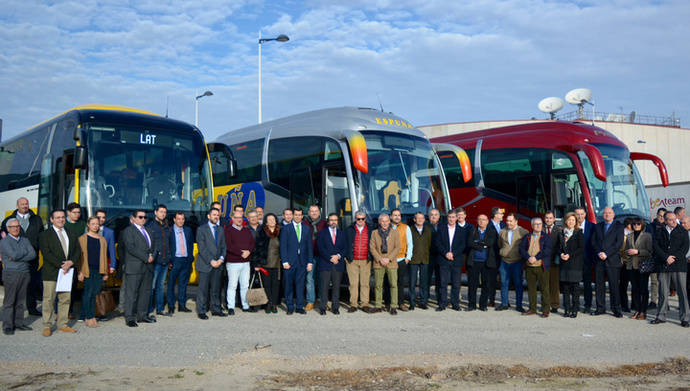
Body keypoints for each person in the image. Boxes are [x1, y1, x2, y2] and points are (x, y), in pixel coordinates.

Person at [39, 209, 81, 336]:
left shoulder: (71, 233)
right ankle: (47, 325)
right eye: (57, 217)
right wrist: (63, 265)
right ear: (52, 219)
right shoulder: (45, 235)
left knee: (65, 299)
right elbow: (46, 254)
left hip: (67, 272)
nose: (61, 219)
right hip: (51, 272)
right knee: (48, 300)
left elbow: (77, 251)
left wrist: (71, 262)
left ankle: (62, 324)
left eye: (62, 217)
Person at [1, 197, 43, 316]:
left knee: (31, 284)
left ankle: (32, 308)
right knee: (14, 287)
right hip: (15, 261)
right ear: (17, 205)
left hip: (33, 258)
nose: (25, 206)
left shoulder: (37, 219)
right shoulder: (8, 221)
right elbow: (3, 239)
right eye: (22, 204)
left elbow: (41, 236)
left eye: (26, 204)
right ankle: (10, 314)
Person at [651, 212, 690, 327]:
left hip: (678, 265)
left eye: (675, 219)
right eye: (671, 220)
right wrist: (665, 257)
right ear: (666, 221)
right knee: (662, 291)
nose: (674, 221)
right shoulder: (659, 231)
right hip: (664, 265)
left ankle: (685, 318)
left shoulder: (682, 231)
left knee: (682, 293)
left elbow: (685, 248)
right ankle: (661, 316)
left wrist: (674, 258)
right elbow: (656, 246)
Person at [121, 210, 157, 327]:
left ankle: (142, 315)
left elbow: (155, 246)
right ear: (134, 218)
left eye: (145, 217)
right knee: (132, 293)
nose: (143, 219)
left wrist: (152, 256)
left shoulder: (149, 230)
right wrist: (146, 257)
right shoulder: (128, 231)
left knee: (145, 292)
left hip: (148, 267)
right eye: (140, 217)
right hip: (135, 267)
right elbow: (131, 248)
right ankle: (130, 317)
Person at [1, 218, 36, 335]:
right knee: (9, 301)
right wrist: (21, 254)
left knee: (21, 301)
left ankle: (19, 323)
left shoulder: (25, 240)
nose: (16, 228)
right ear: (8, 229)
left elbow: (32, 254)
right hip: (11, 273)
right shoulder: (4, 241)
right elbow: (12, 255)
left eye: (17, 226)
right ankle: (7, 325)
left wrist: (17, 256)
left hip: (24, 273)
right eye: (13, 227)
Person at [590, 207, 625, 317]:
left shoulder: (619, 226)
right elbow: (593, 241)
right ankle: (600, 308)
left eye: (609, 213)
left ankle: (616, 309)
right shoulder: (598, 226)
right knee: (599, 286)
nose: (607, 215)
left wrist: (607, 253)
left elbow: (618, 243)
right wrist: (598, 252)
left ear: (613, 214)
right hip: (599, 260)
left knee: (614, 286)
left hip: (612, 260)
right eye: (605, 213)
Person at [77, 217, 109, 328]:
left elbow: (104, 257)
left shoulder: (102, 239)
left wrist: (105, 272)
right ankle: (88, 316)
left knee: (95, 293)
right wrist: (80, 271)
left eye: (97, 224)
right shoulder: (82, 238)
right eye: (93, 224)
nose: (95, 226)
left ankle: (92, 315)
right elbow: (79, 257)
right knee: (88, 293)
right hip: (87, 269)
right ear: (88, 225)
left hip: (98, 270)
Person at [280, 208, 313, 315]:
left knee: (300, 285)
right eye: (296, 215)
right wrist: (284, 261)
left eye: (300, 215)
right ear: (293, 216)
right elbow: (283, 246)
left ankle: (299, 306)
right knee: (289, 285)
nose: (298, 216)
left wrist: (310, 262)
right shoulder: (286, 228)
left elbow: (309, 247)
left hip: (302, 262)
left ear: (302, 216)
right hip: (289, 262)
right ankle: (290, 306)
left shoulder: (307, 228)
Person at [196, 208, 227, 319]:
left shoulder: (221, 229)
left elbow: (224, 246)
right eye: (214, 215)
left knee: (216, 289)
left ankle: (216, 309)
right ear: (208, 216)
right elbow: (202, 248)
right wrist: (211, 261)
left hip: (218, 264)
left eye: (217, 215)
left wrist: (221, 259)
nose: (216, 217)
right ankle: (201, 310)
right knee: (203, 289)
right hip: (205, 264)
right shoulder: (201, 229)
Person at [434, 209, 467, 311]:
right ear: (447, 218)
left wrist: (453, 254)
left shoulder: (461, 230)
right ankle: (442, 304)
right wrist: (446, 253)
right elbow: (438, 243)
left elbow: (463, 245)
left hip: (456, 260)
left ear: (457, 218)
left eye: (453, 217)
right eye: (450, 217)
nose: (451, 219)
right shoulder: (441, 228)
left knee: (456, 284)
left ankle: (455, 303)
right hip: (444, 259)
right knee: (443, 283)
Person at [224, 209, 256, 314]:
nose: (239, 220)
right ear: (233, 219)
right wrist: (241, 253)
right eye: (236, 218)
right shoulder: (228, 230)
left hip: (246, 262)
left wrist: (249, 251)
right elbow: (229, 246)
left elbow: (252, 243)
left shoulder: (246, 230)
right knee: (232, 285)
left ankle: (245, 306)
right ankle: (231, 307)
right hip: (233, 263)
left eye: (241, 218)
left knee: (245, 285)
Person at [519, 217, 552, 317]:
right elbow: (521, 249)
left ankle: (545, 310)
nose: (538, 226)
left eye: (540, 224)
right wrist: (528, 257)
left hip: (541, 266)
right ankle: (532, 309)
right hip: (529, 266)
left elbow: (547, 250)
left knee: (544, 289)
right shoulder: (527, 236)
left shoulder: (546, 237)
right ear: (532, 226)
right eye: (536, 224)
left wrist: (536, 257)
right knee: (531, 289)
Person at [316, 213, 347, 315]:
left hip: (338, 264)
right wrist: (330, 258)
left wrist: (338, 256)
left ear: (337, 222)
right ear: (328, 222)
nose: (333, 222)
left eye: (335, 220)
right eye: (331, 220)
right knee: (324, 287)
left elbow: (344, 248)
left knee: (336, 287)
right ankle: (323, 308)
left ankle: (335, 307)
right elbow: (320, 248)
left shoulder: (342, 233)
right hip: (325, 263)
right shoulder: (322, 233)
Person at [370, 213, 401, 315]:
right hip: (379, 263)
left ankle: (393, 306)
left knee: (393, 285)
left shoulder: (395, 232)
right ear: (379, 222)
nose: (384, 223)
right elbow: (372, 248)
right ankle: (378, 306)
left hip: (391, 263)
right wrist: (380, 259)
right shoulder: (374, 233)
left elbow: (397, 248)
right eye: (382, 221)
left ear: (389, 221)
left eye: (386, 221)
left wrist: (388, 258)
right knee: (378, 285)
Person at [497, 213, 528, 312]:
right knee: (503, 283)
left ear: (516, 221)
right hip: (504, 261)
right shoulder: (502, 231)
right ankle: (504, 303)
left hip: (517, 262)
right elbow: (500, 244)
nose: (508, 223)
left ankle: (519, 305)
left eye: (510, 221)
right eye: (507, 221)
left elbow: (526, 246)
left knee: (518, 284)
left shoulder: (523, 232)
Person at [466, 214, 498, 311]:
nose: (481, 221)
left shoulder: (492, 231)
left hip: (486, 262)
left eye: (483, 220)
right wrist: (482, 246)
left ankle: (483, 305)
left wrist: (477, 243)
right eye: (479, 219)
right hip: (474, 261)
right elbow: (470, 243)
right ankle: (471, 305)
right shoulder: (472, 230)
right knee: (472, 285)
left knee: (486, 284)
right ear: (477, 220)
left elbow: (490, 243)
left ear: (487, 221)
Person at [345, 210, 373, 313]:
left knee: (365, 283)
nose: (360, 220)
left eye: (362, 219)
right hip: (352, 260)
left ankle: (365, 304)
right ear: (355, 219)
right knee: (353, 283)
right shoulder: (349, 229)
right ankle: (353, 304)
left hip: (366, 260)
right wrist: (346, 256)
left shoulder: (370, 229)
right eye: (358, 219)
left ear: (365, 219)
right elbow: (345, 243)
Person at [557, 212, 585, 318]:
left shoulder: (579, 233)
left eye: (573, 220)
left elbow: (581, 249)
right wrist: (561, 254)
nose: (571, 222)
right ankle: (566, 309)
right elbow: (558, 248)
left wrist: (570, 255)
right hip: (564, 265)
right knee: (565, 289)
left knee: (575, 289)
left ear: (576, 222)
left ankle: (574, 309)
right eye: (569, 220)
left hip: (575, 265)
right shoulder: (561, 233)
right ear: (565, 221)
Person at [625, 217, 653, 320]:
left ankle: (643, 311)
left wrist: (638, 252)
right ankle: (637, 310)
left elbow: (650, 252)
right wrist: (628, 252)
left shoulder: (647, 236)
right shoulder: (629, 236)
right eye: (634, 224)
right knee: (635, 289)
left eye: (638, 224)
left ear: (642, 225)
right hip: (632, 266)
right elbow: (626, 250)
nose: (636, 225)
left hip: (643, 266)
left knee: (643, 289)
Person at [167, 212, 194, 314]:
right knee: (171, 284)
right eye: (178, 219)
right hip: (175, 260)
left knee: (183, 284)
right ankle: (171, 305)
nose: (181, 221)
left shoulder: (188, 230)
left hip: (186, 260)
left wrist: (190, 259)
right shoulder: (169, 230)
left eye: (182, 219)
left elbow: (190, 245)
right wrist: (169, 261)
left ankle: (182, 305)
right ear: (174, 220)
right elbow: (167, 246)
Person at [254, 213, 282, 313]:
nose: (272, 221)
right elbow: (257, 248)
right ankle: (268, 304)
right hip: (265, 263)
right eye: (269, 220)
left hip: (277, 264)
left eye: (273, 219)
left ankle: (274, 304)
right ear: (266, 222)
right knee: (266, 284)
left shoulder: (280, 231)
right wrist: (257, 263)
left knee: (275, 285)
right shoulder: (262, 232)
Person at [147, 204, 171, 317]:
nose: (163, 214)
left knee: (160, 286)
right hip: (155, 261)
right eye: (161, 211)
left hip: (165, 261)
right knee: (151, 286)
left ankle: (160, 309)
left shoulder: (166, 226)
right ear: (155, 212)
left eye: (164, 212)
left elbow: (169, 243)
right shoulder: (150, 226)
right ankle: (149, 309)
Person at [409, 212, 432, 310]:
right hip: (413, 259)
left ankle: (423, 302)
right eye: (418, 218)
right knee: (412, 282)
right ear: (414, 219)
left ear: (424, 219)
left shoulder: (428, 230)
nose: (420, 220)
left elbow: (430, 244)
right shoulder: (409, 229)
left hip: (425, 259)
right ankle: (412, 302)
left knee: (424, 282)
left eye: (422, 218)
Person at [391, 208, 413, 311]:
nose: (397, 217)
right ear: (391, 216)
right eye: (395, 215)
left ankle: (401, 303)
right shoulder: (387, 227)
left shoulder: (406, 228)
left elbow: (410, 244)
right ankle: (389, 303)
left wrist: (408, 258)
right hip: (389, 260)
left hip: (401, 259)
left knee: (400, 283)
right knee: (389, 283)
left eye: (398, 215)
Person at [305, 205, 327, 311]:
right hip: (309, 257)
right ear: (308, 212)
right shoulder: (304, 223)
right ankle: (310, 301)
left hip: (322, 256)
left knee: (322, 280)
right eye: (312, 211)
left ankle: (323, 301)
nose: (314, 213)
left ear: (319, 212)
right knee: (310, 279)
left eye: (316, 211)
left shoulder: (325, 223)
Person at [575, 207, 596, 313]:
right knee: (575, 284)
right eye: (577, 214)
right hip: (574, 261)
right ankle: (576, 304)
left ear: (585, 214)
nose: (580, 216)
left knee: (587, 284)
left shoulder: (592, 227)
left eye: (582, 214)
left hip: (587, 260)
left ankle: (587, 304)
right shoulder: (571, 226)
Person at [486, 207, 505, 307]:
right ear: (495, 215)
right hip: (491, 257)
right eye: (501, 213)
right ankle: (491, 300)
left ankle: (505, 301)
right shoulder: (488, 225)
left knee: (504, 280)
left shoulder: (503, 225)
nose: (502, 215)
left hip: (502, 257)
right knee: (491, 280)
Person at [544, 211, 562, 313]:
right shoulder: (541, 229)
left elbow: (560, 245)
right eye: (547, 218)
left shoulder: (559, 230)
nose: (548, 220)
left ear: (554, 219)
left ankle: (555, 305)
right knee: (544, 284)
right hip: (543, 261)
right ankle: (546, 304)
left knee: (554, 284)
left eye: (550, 218)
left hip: (554, 261)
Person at [619, 218, 635, 313]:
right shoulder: (622, 234)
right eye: (632, 224)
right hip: (624, 263)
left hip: (634, 264)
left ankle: (634, 304)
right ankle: (624, 305)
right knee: (623, 285)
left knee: (635, 285)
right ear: (627, 225)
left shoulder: (636, 233)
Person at [427, 208, 442, 305]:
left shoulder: (443, 226)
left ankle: (440, 298)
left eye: (436, 214)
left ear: (439, 217)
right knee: (426, 278)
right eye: (432, 214)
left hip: (440, 256)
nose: (434, 216)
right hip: (428, 256)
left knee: (440, 279)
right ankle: (425, 298)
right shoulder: (425, 226)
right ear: (429, 217)